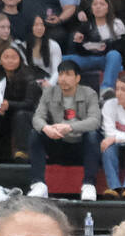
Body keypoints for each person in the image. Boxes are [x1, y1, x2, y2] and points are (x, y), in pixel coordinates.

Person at [26, 60, 102, 203]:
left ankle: (89, 184)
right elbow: (37, 118)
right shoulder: (49, 92)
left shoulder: (89, 93)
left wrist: (71, 127)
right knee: (35, 132)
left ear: (77, 78)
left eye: (68, 74)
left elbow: (95, 121)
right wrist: (46, 128)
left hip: (79, 146)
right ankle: (38, 184)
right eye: (60, 74)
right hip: (58, 144)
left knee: (92, 134)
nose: (63, 78)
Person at [0, 44, 39, 165]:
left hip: (26, 115)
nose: (10, 60)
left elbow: (30, 104)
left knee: (20, 115)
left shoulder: (29, 77)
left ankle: (22, 151)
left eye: (14, 57)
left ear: (20, 60)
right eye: (6, 57)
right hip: (5, 114)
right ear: (0, 61)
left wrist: (9, 105)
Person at [64, 0, 125, 92]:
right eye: (95, 4)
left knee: (114, 55)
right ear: (92, 9)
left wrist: (105, 46)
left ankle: (106, 90)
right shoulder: (86, 25)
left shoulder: (117, 24)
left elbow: (123, 48)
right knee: (61, 59)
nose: (98, 7)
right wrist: (79, 43)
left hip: (107, 59)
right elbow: (81, 52)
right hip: (89, 58)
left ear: (108, 8)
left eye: (102, 4)